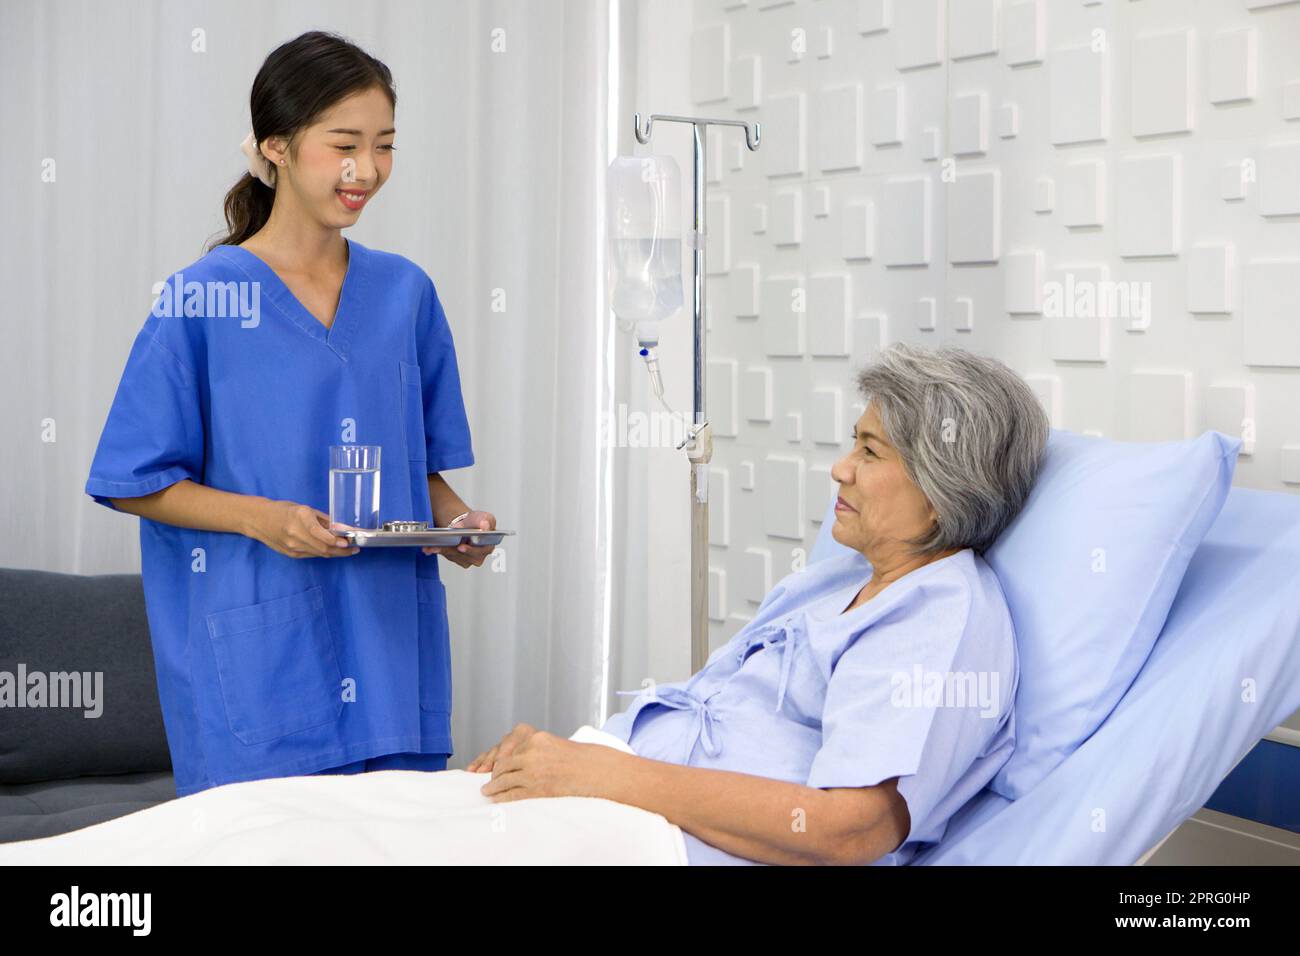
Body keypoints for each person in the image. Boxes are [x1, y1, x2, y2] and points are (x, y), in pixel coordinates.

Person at [84, 31, 495, 796]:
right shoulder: (203, 299)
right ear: (275, 144)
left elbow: (417, 464)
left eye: (385, 146)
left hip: (390, 652)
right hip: (260, 664)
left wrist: (457, 522)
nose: (366, 170)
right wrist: (261, 519)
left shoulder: (406, 295)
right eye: (344, 144)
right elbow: (132, 479)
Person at [466, 343, 1050, 865]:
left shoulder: (941, 615)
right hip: (616, 807)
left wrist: (607, 776)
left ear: (942, 492)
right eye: (855, 442)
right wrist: (566, 760)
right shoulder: (831, 582)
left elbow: (848, 831)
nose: (840, 469)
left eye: (870, 453)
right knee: (391, 816)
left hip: (656, 840)